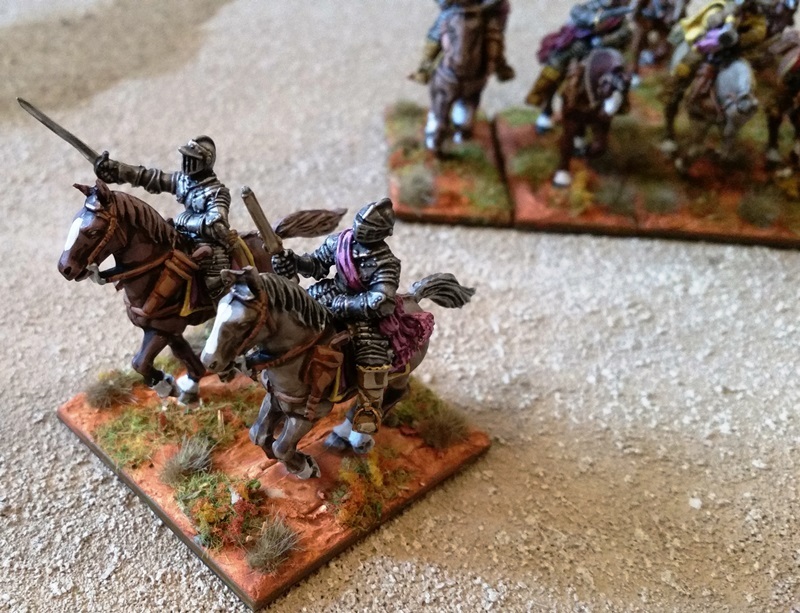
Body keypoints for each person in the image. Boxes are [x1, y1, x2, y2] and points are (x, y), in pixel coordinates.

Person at [272, 198, 430, 437]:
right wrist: (292, 261)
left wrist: (346, 304)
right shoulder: (341, 241)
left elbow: (381, 300)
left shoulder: (386, 263)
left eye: (368, 229)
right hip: (329, 293)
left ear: (381, 234)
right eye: (360, 225)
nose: (361, 231)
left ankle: (368, 409)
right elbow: (315, 265)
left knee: (371, 356)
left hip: (363, 313)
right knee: (292, 314)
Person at [94, 136, 233, 304]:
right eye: (186, 157)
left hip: (208, 243)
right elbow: (152, 178)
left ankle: (221, 311)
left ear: (205, 162)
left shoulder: (217, 192)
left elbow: (217, 225)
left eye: (192, 159)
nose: (187, 162)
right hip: (182, 236)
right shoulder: (184, 180)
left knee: (213, 283)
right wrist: (118, 170)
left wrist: (184, 220)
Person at [661, 0, 768, 148]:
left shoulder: (757, 18)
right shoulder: (722, 5)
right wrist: (724, 15)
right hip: (709, 47)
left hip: (735, 52)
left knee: (747, 75)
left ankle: (744, 103)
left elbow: (758, 34)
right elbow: (709, 20)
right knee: (684, 68)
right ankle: (670, 108)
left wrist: (737, 39)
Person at [526, 0, 633, 132]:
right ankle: (545, 108)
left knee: (619, 74)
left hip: (606, 50)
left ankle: (619, 104)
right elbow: (577, 16)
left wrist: (604, 40)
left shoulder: (621, 18)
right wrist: (590, 24)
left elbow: (625, 33)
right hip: (581, 44)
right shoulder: (590, 7)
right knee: (556, 63)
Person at [409, 0, 515, 85]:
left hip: (485, 9)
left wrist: (484, 6)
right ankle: (424, 68)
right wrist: (446, 2)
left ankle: (500, 64)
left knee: (493, 33)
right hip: (455, 8)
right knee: (437, 31)